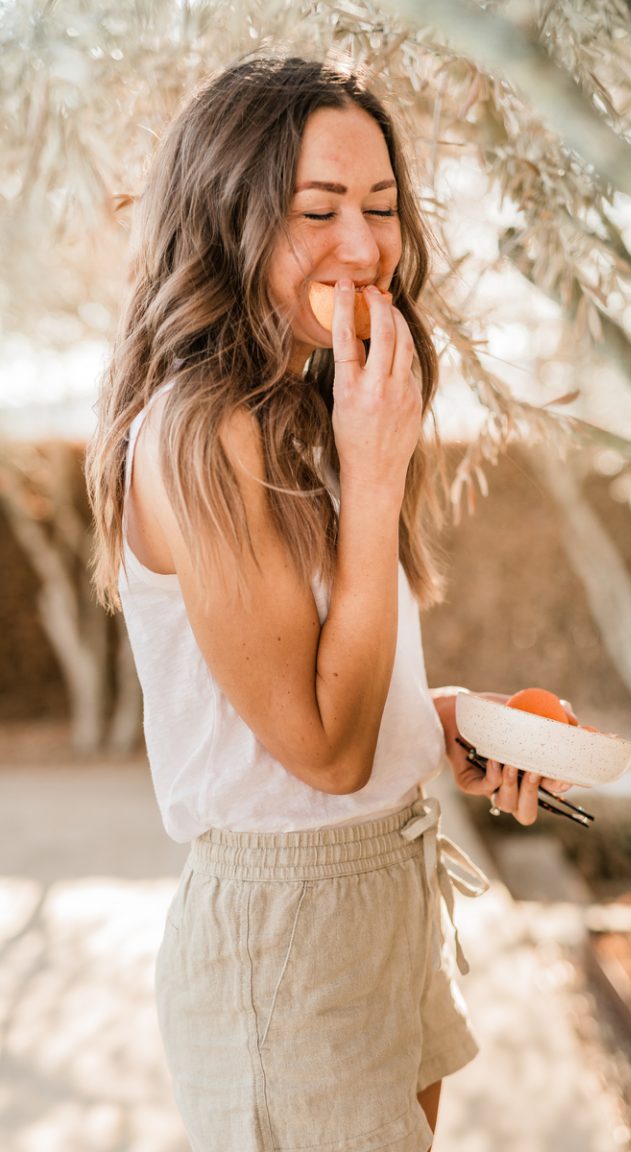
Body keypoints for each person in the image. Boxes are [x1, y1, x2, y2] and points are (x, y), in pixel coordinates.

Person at [85, 54, 571, 1152]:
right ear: (229, 219)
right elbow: (321, 752)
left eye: (383, 207)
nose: (366, 247)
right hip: (287, 943)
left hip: (386, 897)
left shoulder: (308, 403)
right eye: (319, 212)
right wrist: (381, 469)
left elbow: (331, 693)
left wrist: (448, 719)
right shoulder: (197, 433)